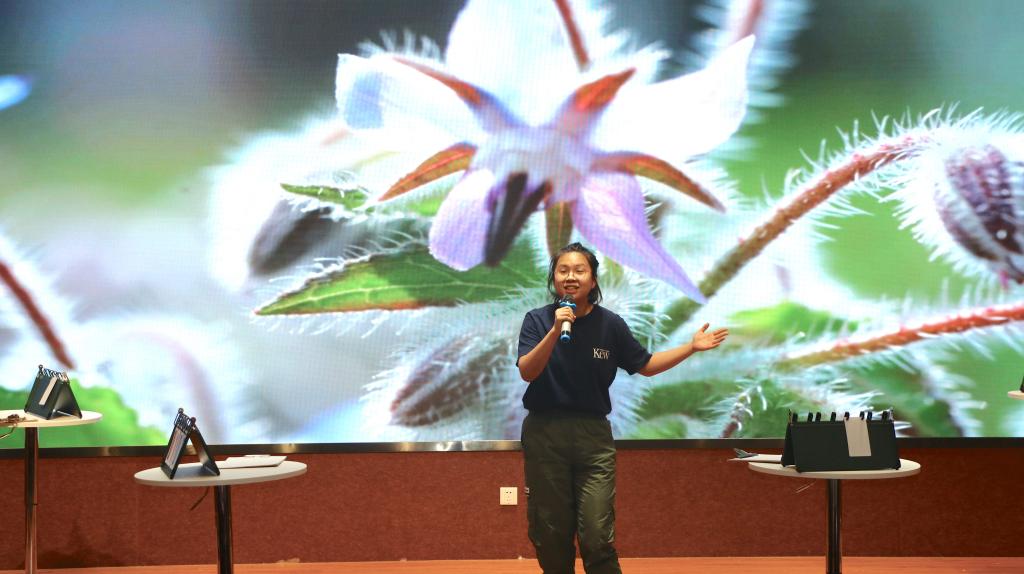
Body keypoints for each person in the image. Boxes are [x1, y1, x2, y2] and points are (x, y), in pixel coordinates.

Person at [516, 242, 728, 574]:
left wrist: (690, 347)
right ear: (553, 278)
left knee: (597, 534)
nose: (571, 277)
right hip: (545, 434)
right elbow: (528, 371)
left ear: (593, 280)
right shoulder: (538, 320)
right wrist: (556, 330)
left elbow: (646, 365)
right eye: (563, 270)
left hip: (593, 438)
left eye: (579, 270)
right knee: (550, 532)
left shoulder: (610, 324)